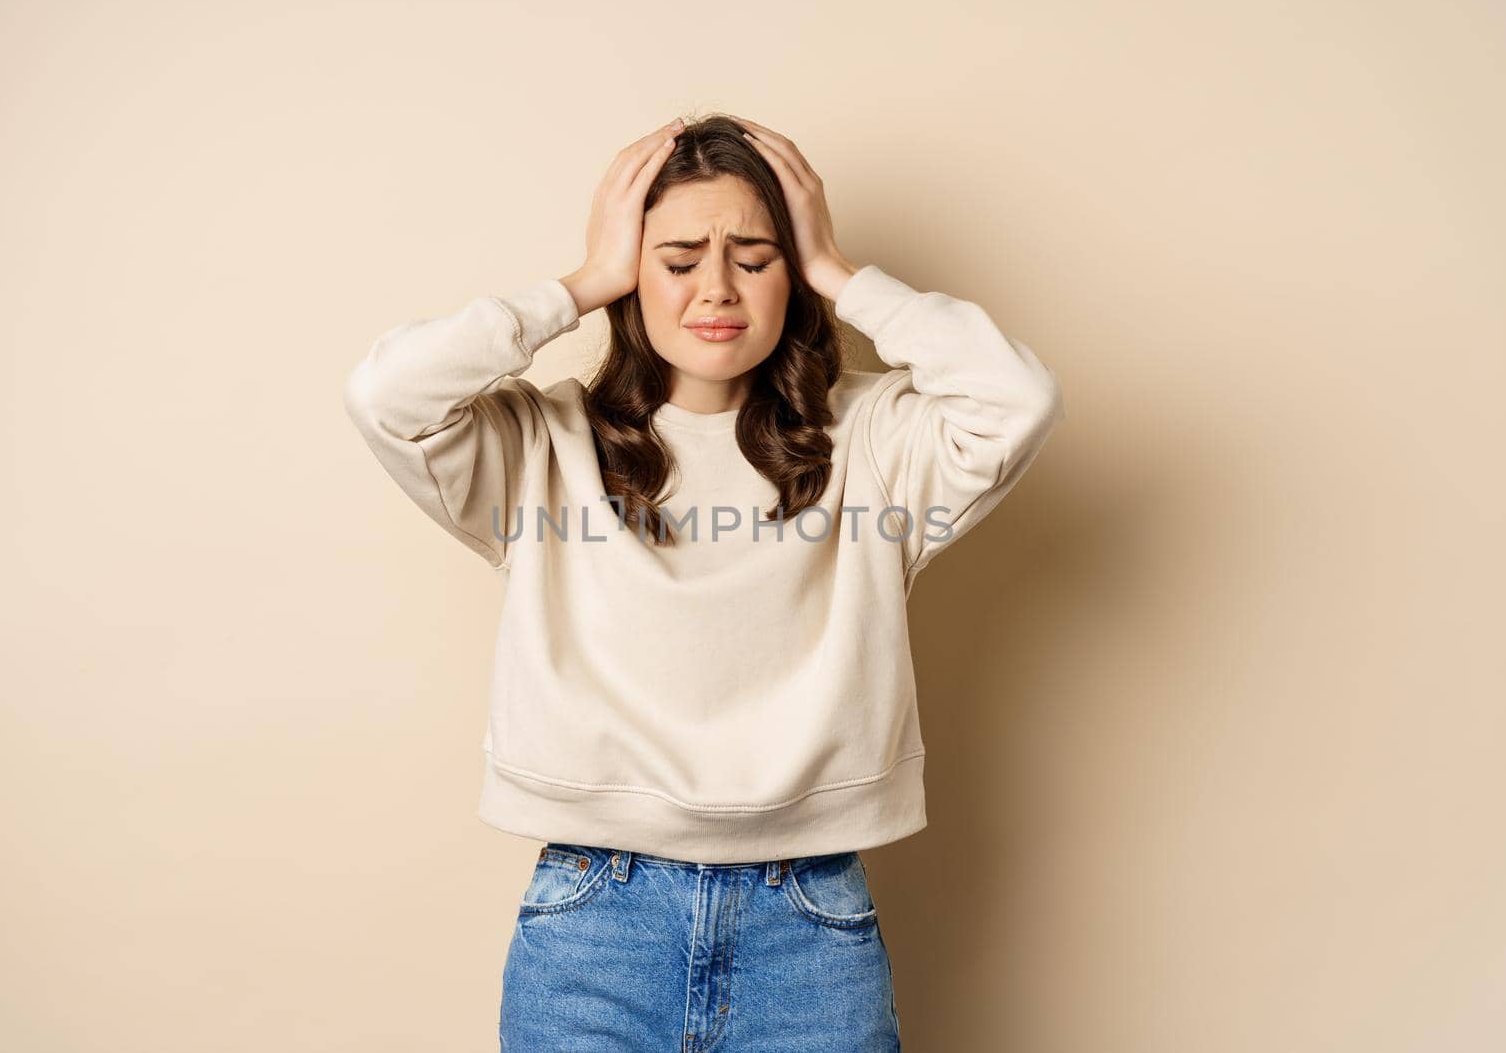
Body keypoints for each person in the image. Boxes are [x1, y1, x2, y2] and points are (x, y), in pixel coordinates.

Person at [343, 112, 1065, 1051]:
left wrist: (841, 271)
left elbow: (1021, 397)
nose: (716, 289)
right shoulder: (539, 443)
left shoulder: (879, 439)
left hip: (809, 923)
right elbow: (385, 395)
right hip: (595, 923)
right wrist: (579, 282)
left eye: (754, 258)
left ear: (794, 273)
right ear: (632, 272)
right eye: (678, 260)